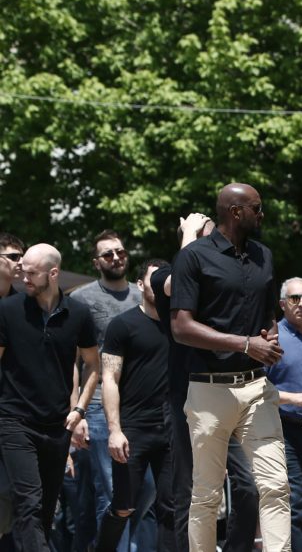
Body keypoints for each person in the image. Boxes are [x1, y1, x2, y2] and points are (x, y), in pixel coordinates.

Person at [170, 184, 291, 551]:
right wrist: (245, 344)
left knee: (275, 485)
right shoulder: (193, 257)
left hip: (256, 388)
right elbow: (181, 327)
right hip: (209, 390)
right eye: (257, 208)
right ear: (236, 212)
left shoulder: (263, 255)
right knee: (207, 494)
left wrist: (270, 338)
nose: (262, 214)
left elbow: (267, 314)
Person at [152, 213, 259, 552]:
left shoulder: (223, 279)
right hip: (186, 396)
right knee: (191, 489)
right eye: (208, 238)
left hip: (230, 394)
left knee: (250, 485)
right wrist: (189, 234)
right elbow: (175, 286)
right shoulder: (165, 276)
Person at [0, 244, 99, 550]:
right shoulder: (8, 310)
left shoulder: (79, 314)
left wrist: (79, 409)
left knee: (44, 510)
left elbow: (92, 364)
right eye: (23, 271)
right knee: (28, 502)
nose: (24, 278)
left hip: (58, 426)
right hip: (14, 421)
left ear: (53, 274)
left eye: (32, 273)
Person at [70, 230, 152, 551]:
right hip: (98, 404)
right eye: (108, 254)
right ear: (96, 262)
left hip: (140, 405)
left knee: (147, 489)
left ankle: (102, 544)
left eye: (120, 252)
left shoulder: (142, 296)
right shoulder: (81, 299)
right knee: (113, 493)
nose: (116, 258)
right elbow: (74, 361)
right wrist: (77, 411)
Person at [97, 260, 176, 551]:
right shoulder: (122, 325)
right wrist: (114, 430)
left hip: (171, 430)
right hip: (132, 429)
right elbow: (109, 378)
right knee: (124, 506)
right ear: (140, 285)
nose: (159, 286)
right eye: (154, 280)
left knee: (172, 506)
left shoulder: (180, 326)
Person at [265, 277, 302, 552]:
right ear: (282, 304)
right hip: (283, 429)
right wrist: (295, 398)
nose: (301, 304)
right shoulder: (272, 338)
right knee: (297, 501)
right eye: (294, 298)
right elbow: (257, 388)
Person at [0, 233, 23, 546]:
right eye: (13, 257)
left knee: (10, 490)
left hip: (15, 411)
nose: (20, 263)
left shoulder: (23, 306)